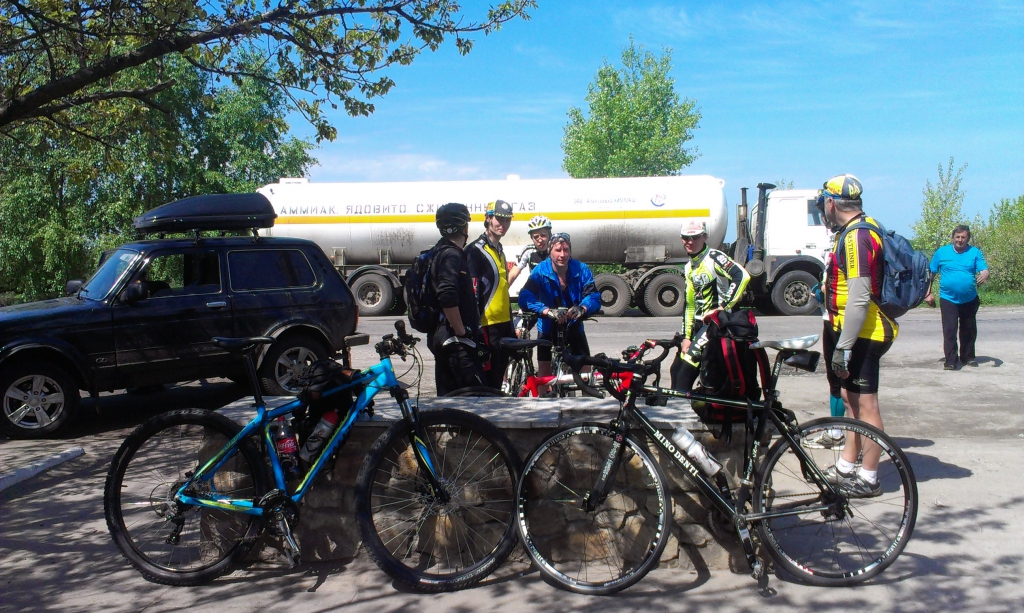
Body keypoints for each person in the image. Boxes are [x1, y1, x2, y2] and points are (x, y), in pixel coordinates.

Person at [818, 174, 897, 498]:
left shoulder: (857, 236)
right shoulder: (859, 229)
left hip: (865, 332)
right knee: (851, 402)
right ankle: (846, 466)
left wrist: (844, 347)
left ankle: (869, 477)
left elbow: (860, 297)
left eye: (822, 203)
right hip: (854, 329)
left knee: (866, 406)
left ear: (831, 203)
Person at [669, 220, 751, 393]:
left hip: (715, 325)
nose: (689, 241)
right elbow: (690, 305)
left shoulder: (714, 257)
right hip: (698, 325)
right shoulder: (689, 266)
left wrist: (723, 306)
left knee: (684, 376)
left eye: (695, 237)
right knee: (675, 371)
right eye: (685, 237)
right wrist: (686, 337)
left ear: (705, 237)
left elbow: (742, 276)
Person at [518, 233, 601, 381]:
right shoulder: (540, 271)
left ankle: (585, 395)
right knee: (544, 369)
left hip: (574, 325)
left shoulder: (581, 269)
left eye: (566, 250)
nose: (562, 255)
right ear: (550, 251)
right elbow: (525, 297)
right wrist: (546, 311)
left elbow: (594, 296)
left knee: (585, 368)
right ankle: (544, 396)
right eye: (558, 250)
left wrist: (582, 308)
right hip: (547, 326)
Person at [426, 203, 487, 396]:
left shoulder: (437, 252)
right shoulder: (452, 255)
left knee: (449, 401)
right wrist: (461, 330)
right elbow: (447, 294)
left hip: (440, 337)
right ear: (464, 227)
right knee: (478, 398)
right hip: (455, 342)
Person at [466, 200, 517, 389]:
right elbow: (472, 294)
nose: (503, 224)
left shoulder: (500, 249)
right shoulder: (475, 251)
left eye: (507, 220)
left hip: (503, 324)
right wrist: (477, 333)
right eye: (499, 219)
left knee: (499, 379)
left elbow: (502, 291)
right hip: (487, 327)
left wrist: (511, 326)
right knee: (488, 383)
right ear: (488, 218)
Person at [924, 225, 989, 370]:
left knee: (969, 329)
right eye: (957, 237)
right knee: (950, 330)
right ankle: (951, 361)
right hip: (948, 298)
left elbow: (984, 269)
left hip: (969, 299)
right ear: (953, 237)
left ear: (968, 238)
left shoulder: (974, 252)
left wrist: (985, 273)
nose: (960, 240)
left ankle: (968, 357)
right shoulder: (942, 252)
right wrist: (927, 293)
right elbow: (931, 274)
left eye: (963, 237)